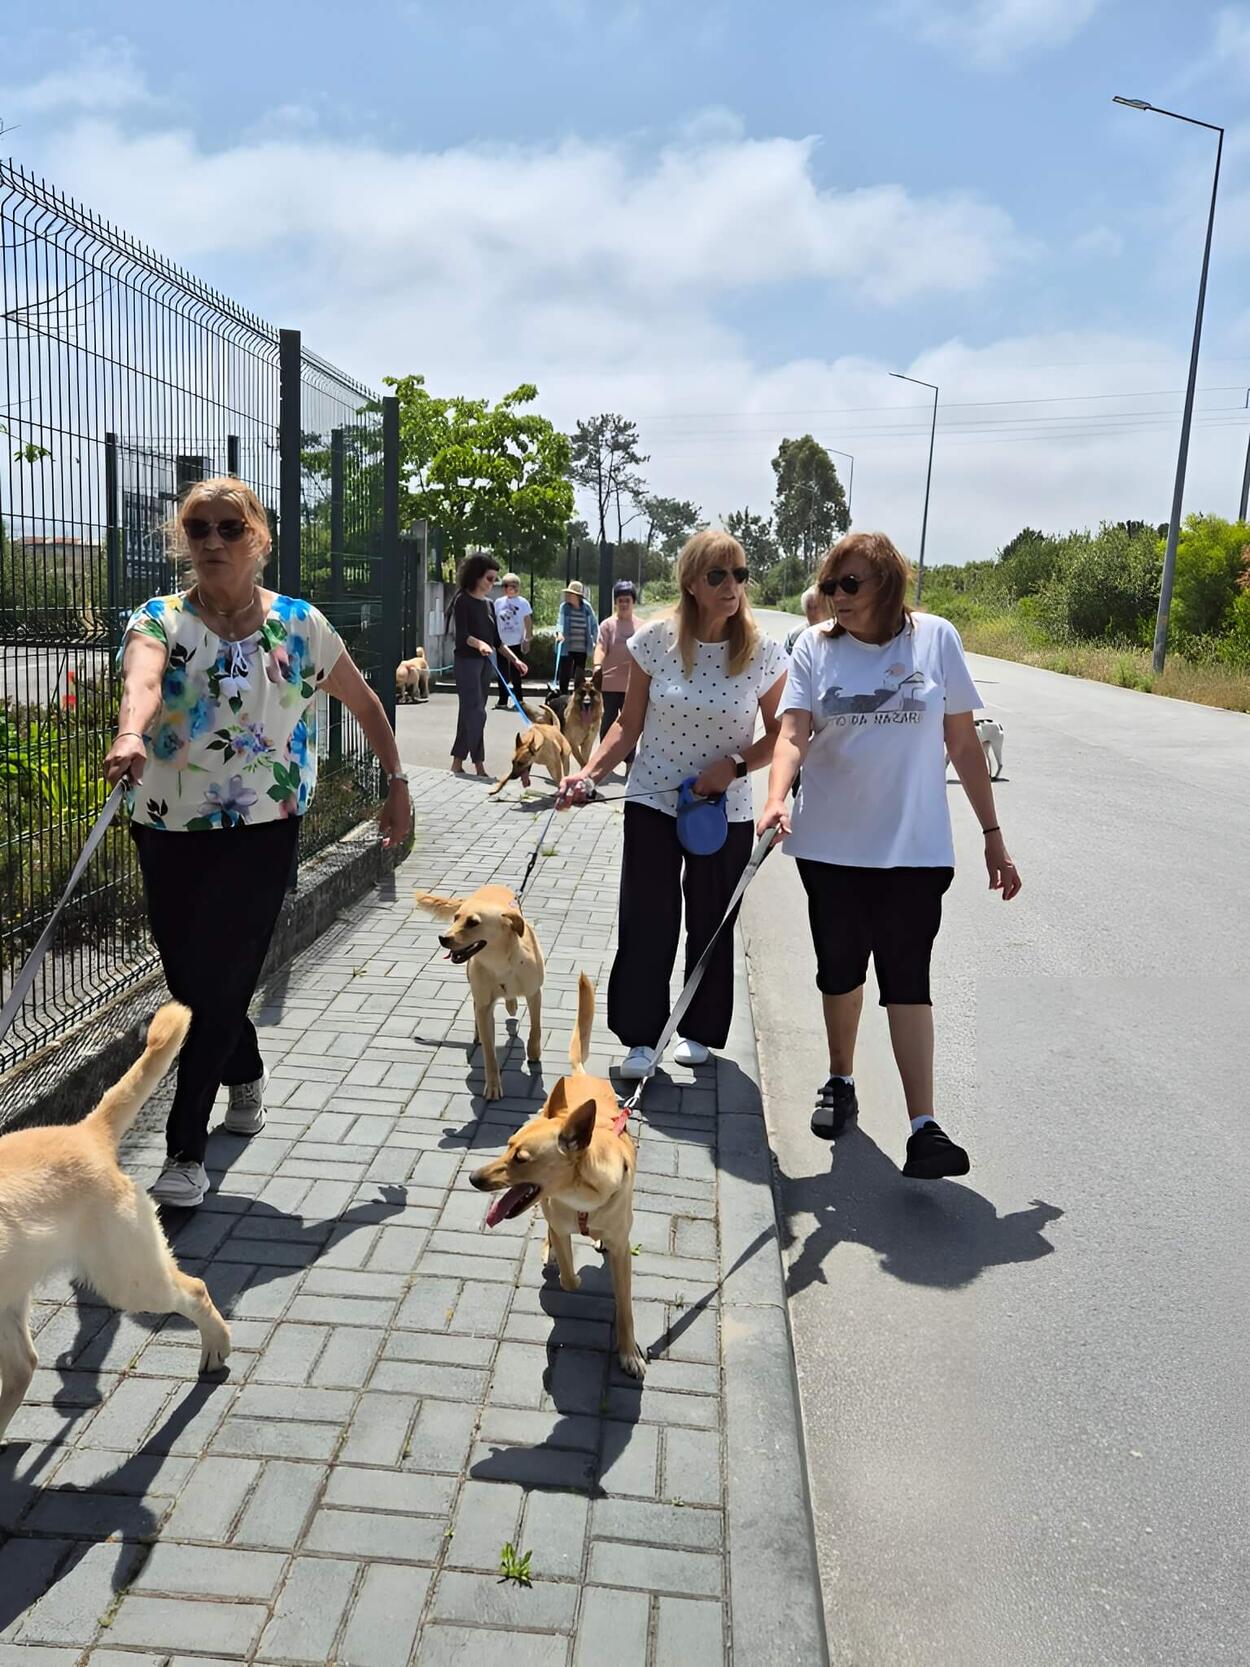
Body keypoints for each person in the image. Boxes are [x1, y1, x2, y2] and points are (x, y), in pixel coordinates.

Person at [102, 475, 413, 1210]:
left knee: (228, 971)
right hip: (168, 824)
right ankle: (243, 1068)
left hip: (264, 827)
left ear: (259, 540)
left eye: (228, 528)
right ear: (183, 540)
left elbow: (365, 702)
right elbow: (141, 682)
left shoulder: (300, 626)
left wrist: (396, 782)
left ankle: (184, 1149)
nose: (212, 541)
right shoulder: (160, 618)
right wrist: (128, 732)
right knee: (193, 981)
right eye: (198, 529)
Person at [757, 531, 1021, 1179]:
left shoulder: (935, 638)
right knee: (840, 971)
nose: (835, 597)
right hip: (831, 848)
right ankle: (840, 1078)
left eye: (851, 584)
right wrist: (775, 795)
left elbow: (963, 743)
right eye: (829, 585)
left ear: (887, 585)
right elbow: (791, 735)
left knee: (908, 976)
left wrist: (993, 833)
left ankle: (924, 1127)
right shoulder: (814, 650)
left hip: (915, 849)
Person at [557, 531, 787, 1077]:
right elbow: (626, 724)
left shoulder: (760, 651)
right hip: (653, 802)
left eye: (740, 575)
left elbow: (783, 733)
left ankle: (699, 1030)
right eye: (718, 576)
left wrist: (732, 768)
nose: (732, 586)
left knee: (711, 920)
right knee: (648, 917)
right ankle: (641, 1037)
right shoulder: (656, 641)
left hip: (721, 811)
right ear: (691, 582)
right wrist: (587, 774)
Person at [450, 554, 527, 774]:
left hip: (485, 663)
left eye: (495, 580)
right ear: (476, 577)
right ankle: (479, 763)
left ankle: (457, 762)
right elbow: (462, 635)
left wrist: (515, 660)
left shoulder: (489, 604)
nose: (492, 584)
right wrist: (479, 644)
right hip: (466, 662)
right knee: (477, 712)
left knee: (470, 712)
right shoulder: (462, 600)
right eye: (489, 579)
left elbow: (496, 641)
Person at [593, 578, 639, 767]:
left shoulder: (642, 626)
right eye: (620, 600)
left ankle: (630, 763)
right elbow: (601, 647)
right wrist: (597, 665)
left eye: (627, 600)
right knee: (608, 724)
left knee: (631, 725)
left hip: (634, 684)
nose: (624, 604)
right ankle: (605, 761)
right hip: (610, 683)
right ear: (615, 602)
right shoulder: (607, 625)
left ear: (633, 602)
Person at [493, 572, 532, 710]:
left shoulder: (523, 603)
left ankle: (519, 700)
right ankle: (503, 699)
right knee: (502, 672)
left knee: (516, 673)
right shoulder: (498, 602)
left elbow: (528, 622)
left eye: (512, 586)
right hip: (502, 643)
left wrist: (527, 639)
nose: (509, 588)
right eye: (506, 586)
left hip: (516, 641)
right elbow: (495, 620)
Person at [555, 580, 598, 693]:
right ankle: (563, 695)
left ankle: (578, 695)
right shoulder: (564, 607)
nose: (568, 596)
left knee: (579, 674)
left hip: (582, 647)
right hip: (567, 647)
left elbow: (594, 625)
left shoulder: (587, 608)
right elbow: (560, 622)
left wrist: (595, 641)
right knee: (565, 673)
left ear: (578, 596)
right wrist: (559, 633)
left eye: (571, 594)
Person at [784, 585, 829, 655]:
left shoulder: (834, 633)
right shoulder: (795, 635)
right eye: (809, 607)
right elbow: (785, 661)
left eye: (816, 607)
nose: (813, 612)